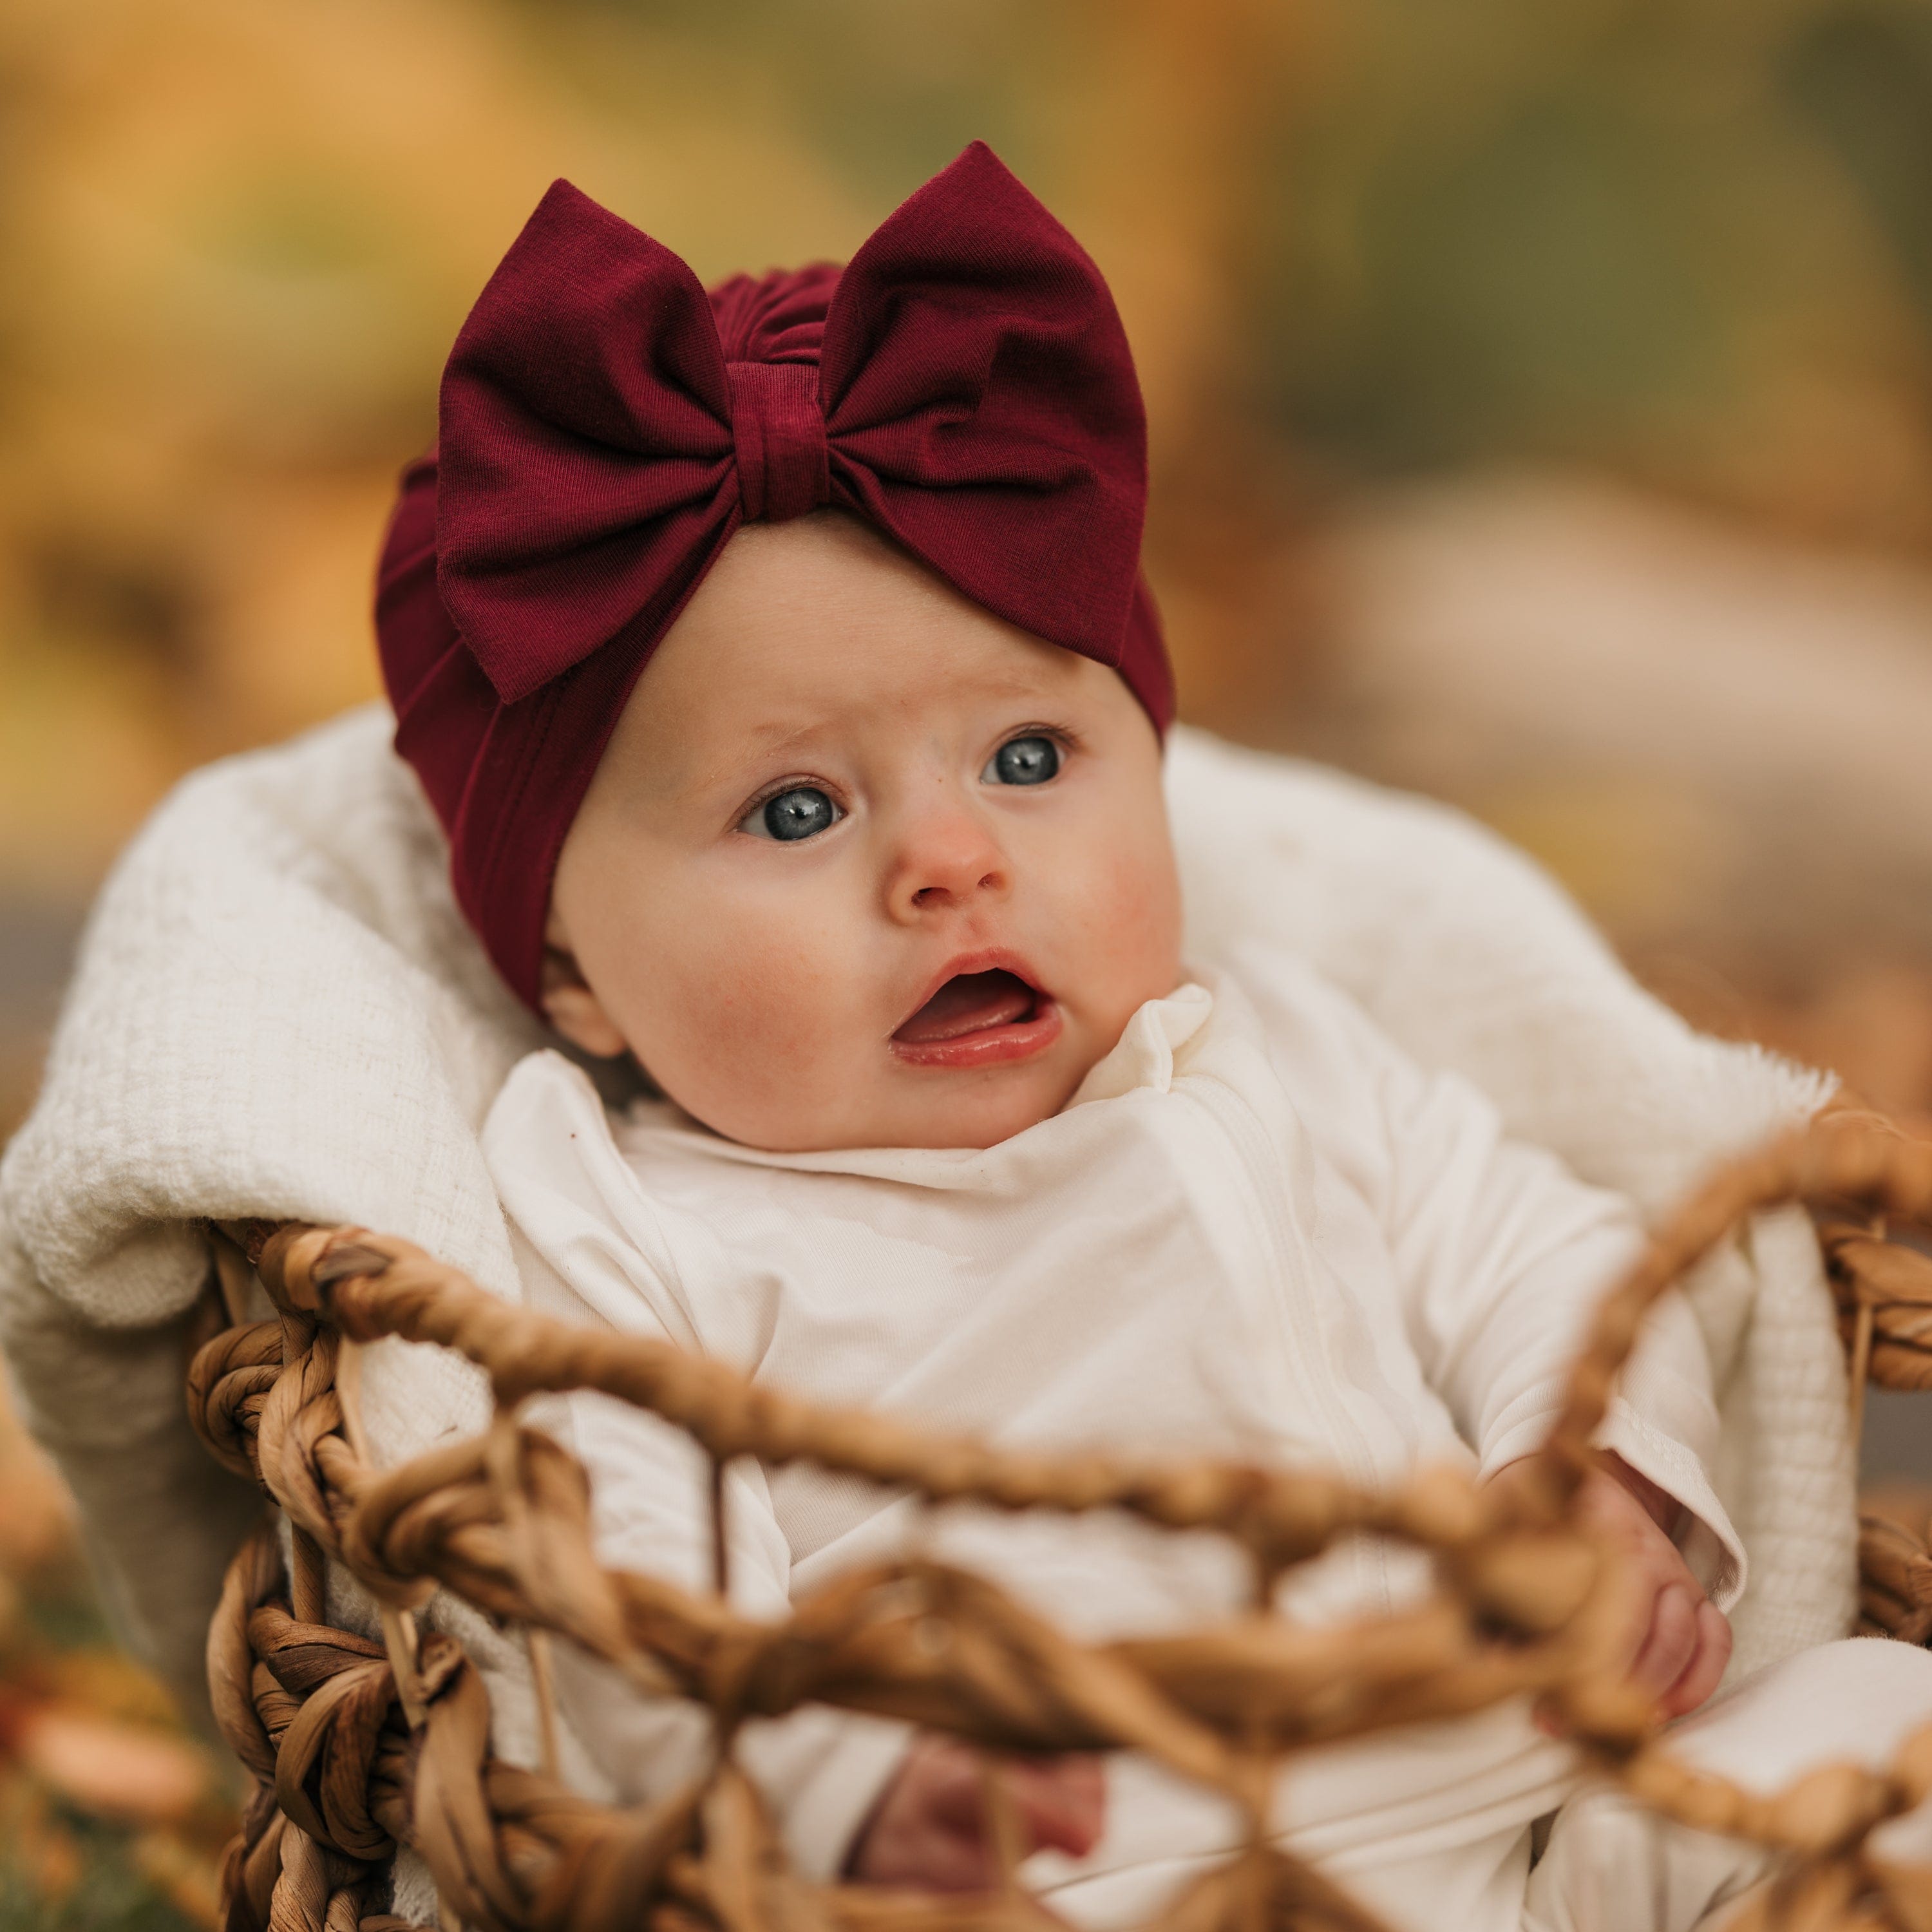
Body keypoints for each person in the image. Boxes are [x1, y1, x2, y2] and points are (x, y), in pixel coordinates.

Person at [374, 142, 1932, 1930]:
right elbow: (603, 1569)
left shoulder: (1268, 1051)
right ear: (571, 967)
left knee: (1878, 1732)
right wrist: (847, 1778)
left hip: (1523, 1802)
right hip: (1076, 1871)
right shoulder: (619, 1208)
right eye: (795, 812)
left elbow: (1540, 1250)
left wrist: (1584, 1478)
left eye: (1028, 761)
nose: (952, 861)